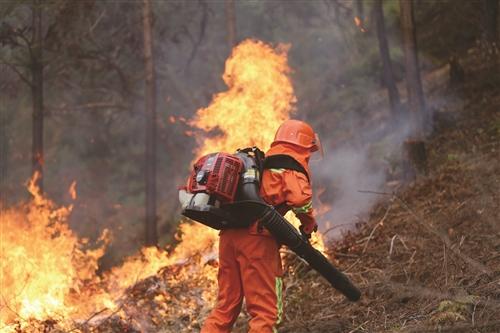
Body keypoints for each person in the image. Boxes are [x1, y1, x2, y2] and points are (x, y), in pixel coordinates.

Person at [201, 119, 321, 333]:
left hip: (228, 236)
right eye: (310, 150)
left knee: (225, 308)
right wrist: (309, 224)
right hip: (256, 240)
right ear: (305, 145)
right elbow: (301, 201)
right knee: (266, 312)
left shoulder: (262, 164)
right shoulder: (290, 165)